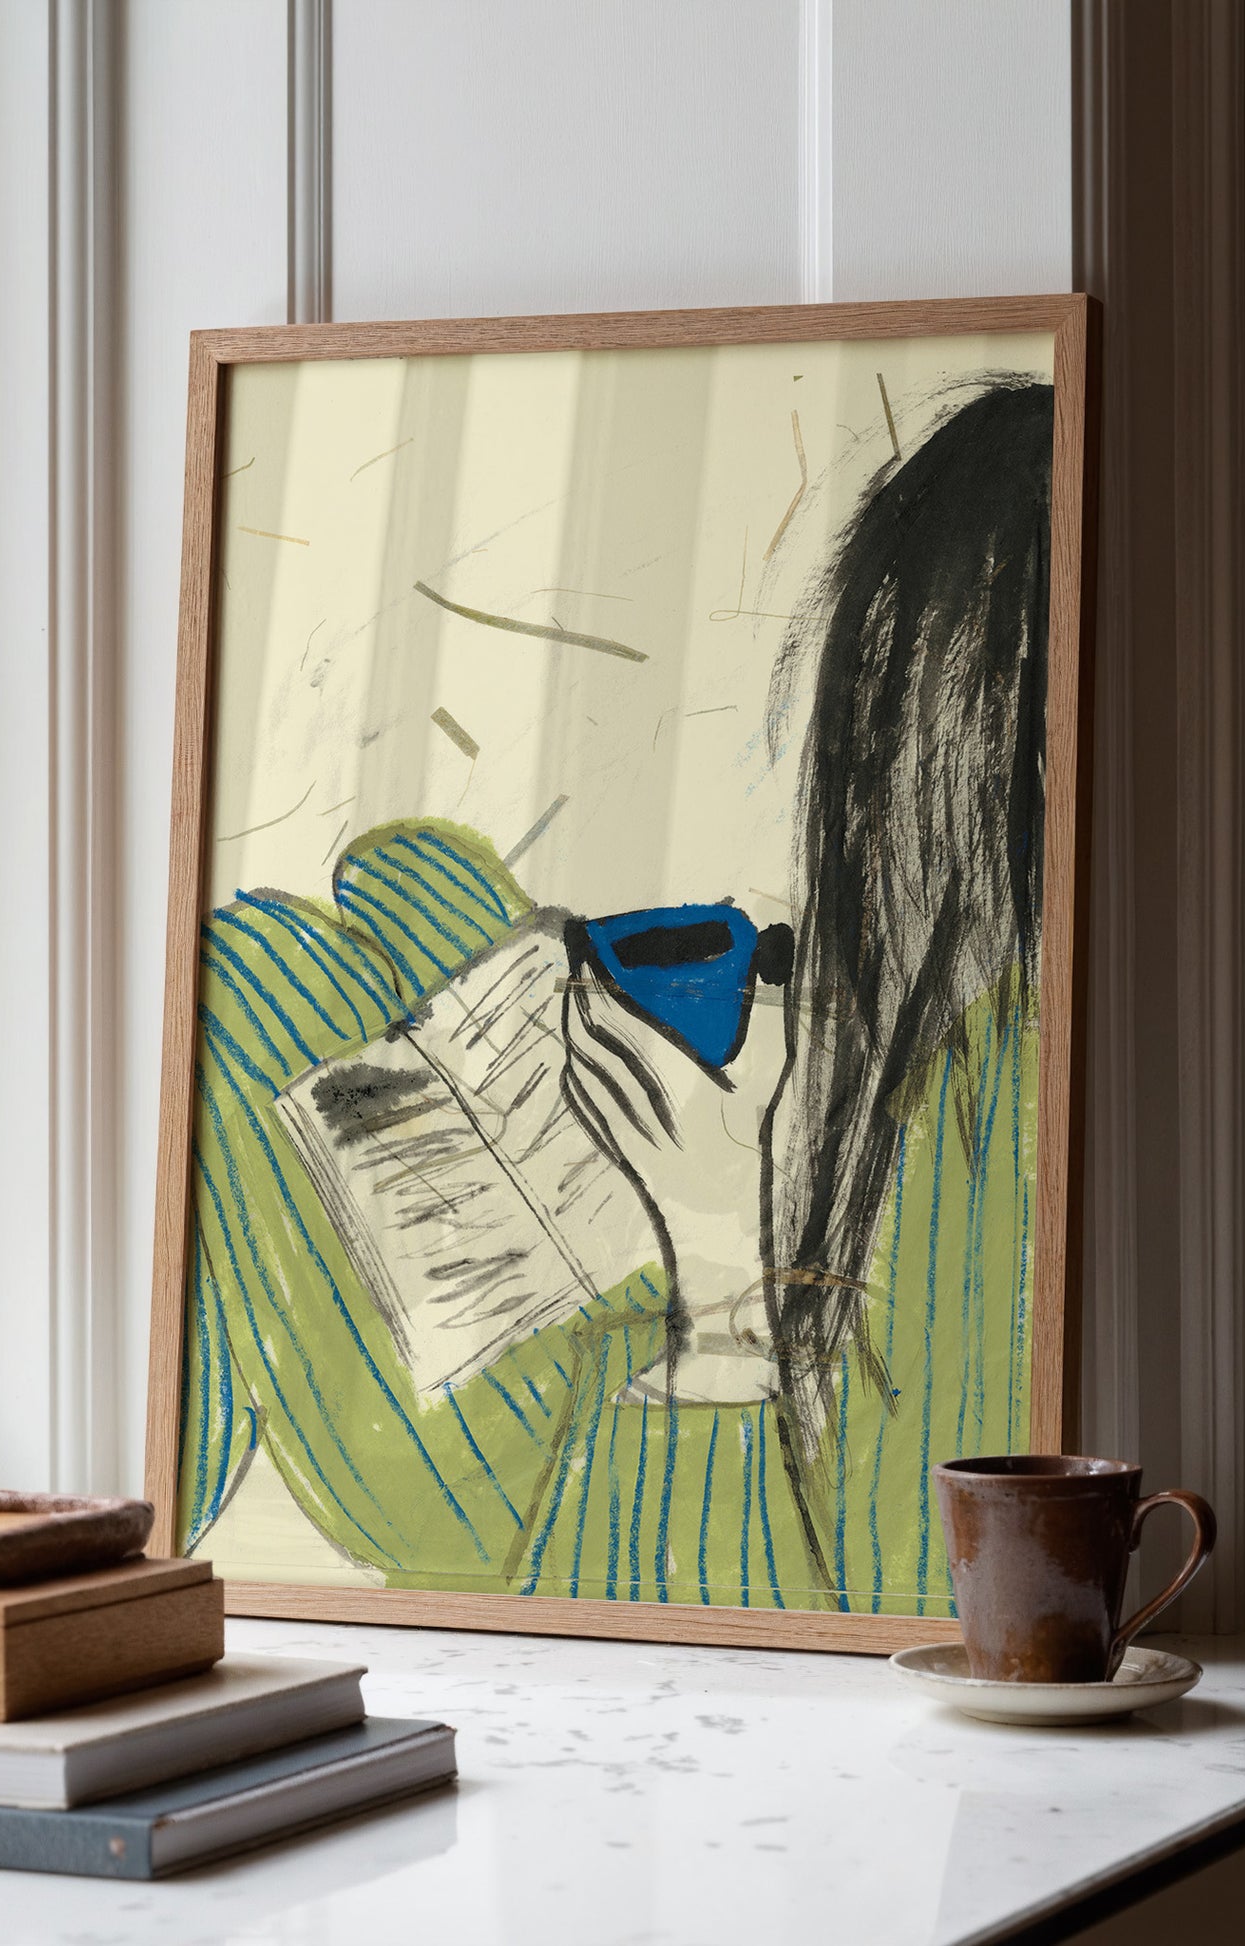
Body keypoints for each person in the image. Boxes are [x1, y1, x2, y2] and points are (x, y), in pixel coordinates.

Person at [181, 379, 1053, 1614]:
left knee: (263, 994)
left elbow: (845, 1623)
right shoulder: (990, 1087)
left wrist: (713, 1297)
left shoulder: (984, 1111)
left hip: (611, 1552)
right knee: (301, 971)